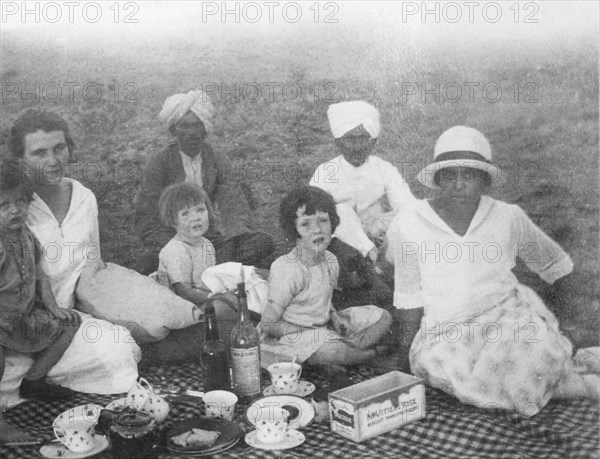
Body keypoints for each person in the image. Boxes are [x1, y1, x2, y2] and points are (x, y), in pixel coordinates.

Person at [385, 126, 599, 416]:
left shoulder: (507, 217)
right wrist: (403, 357)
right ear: (437, 179)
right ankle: (579, 386)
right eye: (450, 174)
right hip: (446, 330)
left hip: (507, 315)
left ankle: (558, 375)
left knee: (533, 355)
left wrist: (565, 322)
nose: (459, 184)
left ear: (484, 180)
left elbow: (558, 266)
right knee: (450, 372)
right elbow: (409, 294)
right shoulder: (409, 221)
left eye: (469, 175)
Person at [2, 109, 140, 405]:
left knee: (120, 350)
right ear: (19, 160)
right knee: (8, 369)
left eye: (59, 148)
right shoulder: (13, 207)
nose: (52, 160)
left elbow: (93, 265)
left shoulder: (84, 198)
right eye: (39, 152)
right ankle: (34, 380)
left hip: (63, 319)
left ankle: (36, 379)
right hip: (11, 322)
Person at [134, 89, 274, 275]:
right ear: (174, 130)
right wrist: (175, 246)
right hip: (172, 239)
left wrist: (232, 241)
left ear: (205, 128)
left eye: (197, 125)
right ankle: (217, 271)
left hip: (209, 240)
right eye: (185, 126)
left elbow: (234, 205)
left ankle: (212, 269)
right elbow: (146, 218)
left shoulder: (216, 159)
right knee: (148, 261)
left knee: (262, 242)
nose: (192, 133)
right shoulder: (159, 163)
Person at [259, 186, 392, 370]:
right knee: (332, 352)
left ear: (333, 224)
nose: (317, 230)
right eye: (306, 224)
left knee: (382, 317)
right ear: (293, 230)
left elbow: (324, 299)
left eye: (323, 221)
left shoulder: (330, 260)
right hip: (289, 336)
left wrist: (335, 318)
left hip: (324, 329)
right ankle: (369, 353)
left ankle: (343, 353)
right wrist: (306, 333)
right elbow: (268, 324)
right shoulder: (287, 269)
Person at [0, 162, 81, 443]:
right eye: (4, 205)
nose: (15, 210)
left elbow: (40, 276)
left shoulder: (27, 236)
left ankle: (34, 381)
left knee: (69, 322)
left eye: (20, 202)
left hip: (21, 317)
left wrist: (54, 307)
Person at [309, 101, 415, 309]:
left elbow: (406, 205)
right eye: (350, 139)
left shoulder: (383, 168)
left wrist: (386, 223)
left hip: (378, 232)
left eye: (363, 139)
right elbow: (311, 214)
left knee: (407, 218)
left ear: (373, 141)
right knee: (338, 211)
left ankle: (384, 270)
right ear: (338, 142)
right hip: (343, 237)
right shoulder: (326, 172)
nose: (358, 146)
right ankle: (373, 263)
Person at [140, 182, 238, 364]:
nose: (196, 218)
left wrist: (223, 291)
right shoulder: (176, 251)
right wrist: (218, 297)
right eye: (186, 214)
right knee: (226, 311)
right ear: (172, 221)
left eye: (200, 210)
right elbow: (184, 291)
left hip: (202, 301)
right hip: (181, 311)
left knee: (238, 301)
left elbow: (209, 278)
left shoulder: (206, 244)